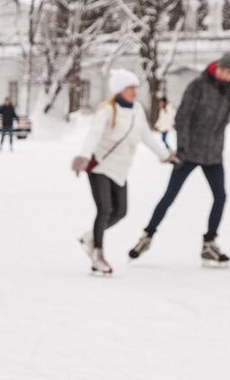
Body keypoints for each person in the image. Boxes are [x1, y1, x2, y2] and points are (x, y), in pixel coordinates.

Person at [128, 50, 230, 267]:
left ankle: (209, 243)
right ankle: (147, 236)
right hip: (189, 153)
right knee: (170, 196)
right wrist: (183, 147)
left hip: (213, 154)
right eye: (223, 70)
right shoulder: (198, 85)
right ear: (217, 66)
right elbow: (182, 117)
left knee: (220, 197)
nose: (225, 75)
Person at [70, 69, 178, 275]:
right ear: (119, 89)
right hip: (100, 166)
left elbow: (146, 136)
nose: (134, 92)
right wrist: (84, 156)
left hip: (120, 168)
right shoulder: (107, 110)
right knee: (105, 209)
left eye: (135, 88)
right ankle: (98, 255)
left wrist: (165, 155)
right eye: (130, 88)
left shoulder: (137, 109)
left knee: (121, 211)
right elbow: (94, 135)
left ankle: (91, 236)